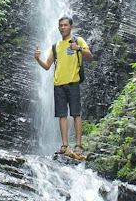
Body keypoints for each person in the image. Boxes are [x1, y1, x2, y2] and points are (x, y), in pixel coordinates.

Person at [34, 16, 93, 159]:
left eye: (65, 25)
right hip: (58, 85)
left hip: (73, 83)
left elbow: (90, 56)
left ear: (71, 27)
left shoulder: (78, 41)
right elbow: (47, 66)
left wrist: (78, 48)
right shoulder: (55, 47)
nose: (62, 28)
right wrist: (37, 58)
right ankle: (65, 145)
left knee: (76, 114)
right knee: (62, 115)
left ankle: (78, 146)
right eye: (60, 25)